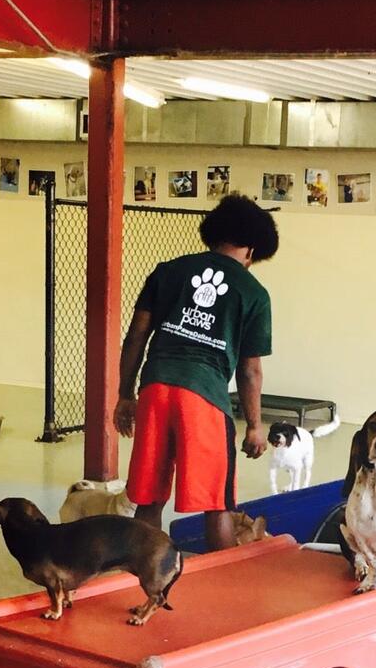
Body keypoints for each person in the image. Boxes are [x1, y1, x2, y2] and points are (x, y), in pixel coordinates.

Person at [113, 193, 278, 551]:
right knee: (216, 505)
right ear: (251, 251)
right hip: (204, 398)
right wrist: (254, 425)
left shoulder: (168, 271)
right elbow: (250, 370)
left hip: (156, 388)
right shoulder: (253, 292)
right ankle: (223, 581)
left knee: (149, 498)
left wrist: (125, 394)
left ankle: (142, 575)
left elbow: (136, 336)